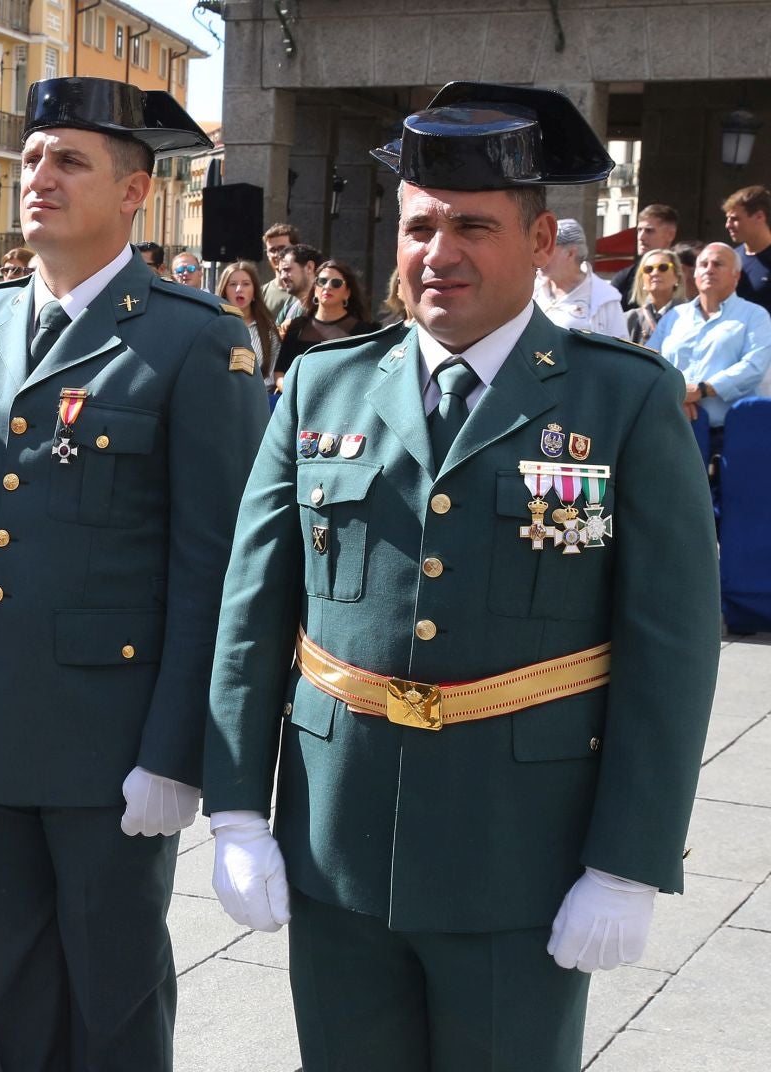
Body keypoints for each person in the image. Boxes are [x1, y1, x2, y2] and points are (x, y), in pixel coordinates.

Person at [203, 82, 720, 1072]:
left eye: (474, 227)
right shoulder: (322, 383)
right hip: (335, 842)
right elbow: (254, 608)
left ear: (538, 243)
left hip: (519, 856)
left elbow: (671, 646)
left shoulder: (623, 400)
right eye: (420, 227)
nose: (440, 253)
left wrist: (629, 858)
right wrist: (235, 805)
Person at [0, 76, 268, 1071]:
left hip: (110, 747)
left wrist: (181, 751)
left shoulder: (196, 340)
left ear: (136, 193)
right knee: (5, 984)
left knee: (114, 990)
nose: (39, 178)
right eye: (32, 159)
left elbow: (213, 569)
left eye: (70, 161)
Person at [652, 243, 771, 453]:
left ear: (736, 276)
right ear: (694, 274)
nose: (709, 269)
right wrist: (677, 394)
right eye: (703, 264)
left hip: (731, 436)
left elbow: (754, 366)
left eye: (718, 264)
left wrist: (701, 390)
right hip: (675, 429)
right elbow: (649, 363)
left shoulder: (755, 315)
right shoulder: (674, 317)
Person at [275, 260, 376, 382]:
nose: (327, 287)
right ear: (315, 289)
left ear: (347, 293)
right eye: (322, 281)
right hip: (297, 397)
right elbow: (280, 372)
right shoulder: (296, 327)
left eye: (336, 283)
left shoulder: (364, 331)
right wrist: (290, 392)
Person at [535, 218, 624, 336]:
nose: (538, 255)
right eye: (537, 248)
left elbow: (618, 349)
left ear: (571, 253)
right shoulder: (531, 290)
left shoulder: (604, 299)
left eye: (547, 249)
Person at [217, 260, 278, 386]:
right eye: (233, 284)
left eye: (246, 284)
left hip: (258, 398)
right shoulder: (214, 326)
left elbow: (271, 376)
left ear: (254, 291)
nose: (239, 289)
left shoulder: (268, 330)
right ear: (224, 291)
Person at [608, 204, 678, 310]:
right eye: (639, 230)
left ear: (670, 235)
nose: (641, 237)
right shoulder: (624, 278)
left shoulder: (686, 273)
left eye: (649, 231)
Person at [723, 184, 771, 315]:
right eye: (727, 219)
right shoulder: (732, 258)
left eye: (735, 219)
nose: (728, 225)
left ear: (759, 217)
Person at [625, 248, 685, 346]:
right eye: (648, 269)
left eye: (663, 267)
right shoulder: (630, 319)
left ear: (676, 277)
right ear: (642, 280)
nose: (655, 273)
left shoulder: (689, 316)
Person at [259, 222, 302, 321]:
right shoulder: (261, 294)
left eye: (282, 248)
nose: (277, 254)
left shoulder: (311, 291)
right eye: (272, 250)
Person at [274, 243, 323, 326]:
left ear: (309, 267)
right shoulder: (288, 311)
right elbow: (272, 338)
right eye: (280, 272)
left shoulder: (330, 307)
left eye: (287, 269)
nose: (282, 277)